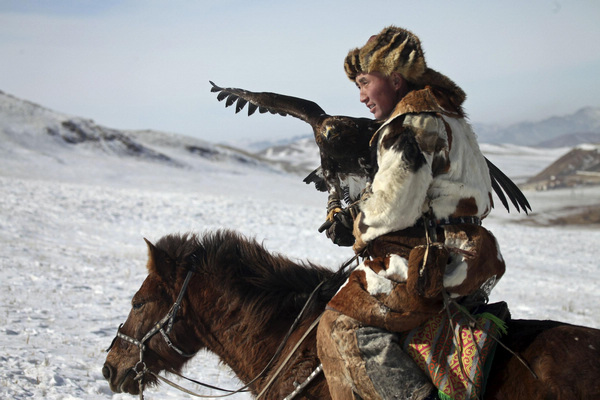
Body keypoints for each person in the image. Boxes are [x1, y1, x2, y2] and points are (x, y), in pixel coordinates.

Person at [316, 26, 506, 400]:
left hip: (435, 262)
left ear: (395, 79)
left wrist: (355, 225)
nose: (361, 97)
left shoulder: (409, 126)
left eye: (365, 82)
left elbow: (393, 209)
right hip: (477, 255)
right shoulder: (450, 118)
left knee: (341, 326)